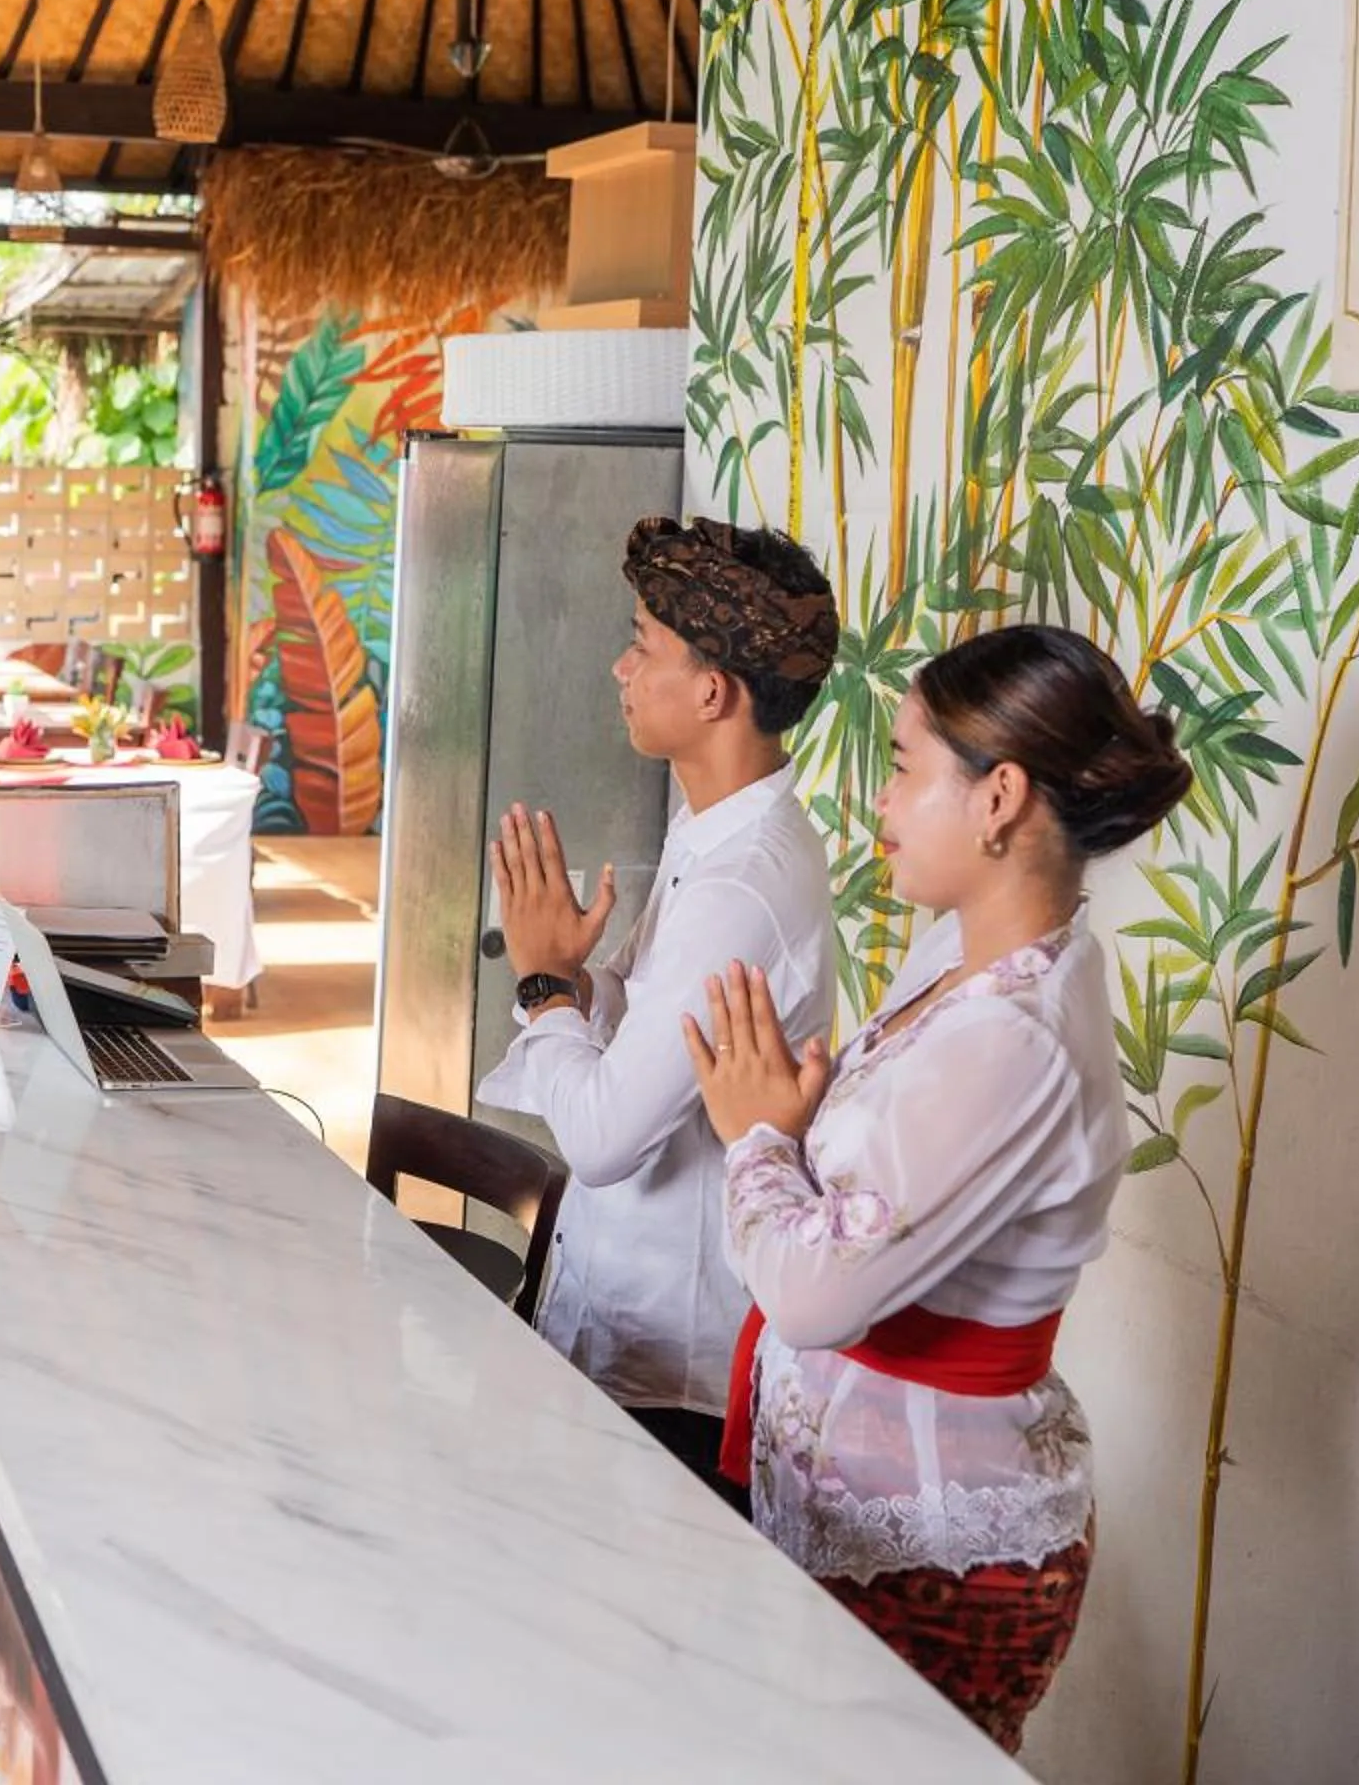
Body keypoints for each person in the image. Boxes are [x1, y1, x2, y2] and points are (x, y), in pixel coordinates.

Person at [683, 623, 1193, 1753]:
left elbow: (817, 1293)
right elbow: (892, 1198)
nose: (883, 796)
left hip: (930, 1543)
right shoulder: (964, 962)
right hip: (859, 1500)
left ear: (999, 795)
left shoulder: (1014, 1035)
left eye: (908, 765)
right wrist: (807, 1124)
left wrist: (757, 1136)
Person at [477, 515, 840, 1511]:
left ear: (713, 690)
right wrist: (591, 982)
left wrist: (547, 983)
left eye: (643, 643)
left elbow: (602, 1139)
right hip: (630, 1324)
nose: (618, 666)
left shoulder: (742, 884)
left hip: (670, 1370)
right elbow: (665, 1032)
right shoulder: (714, 824)